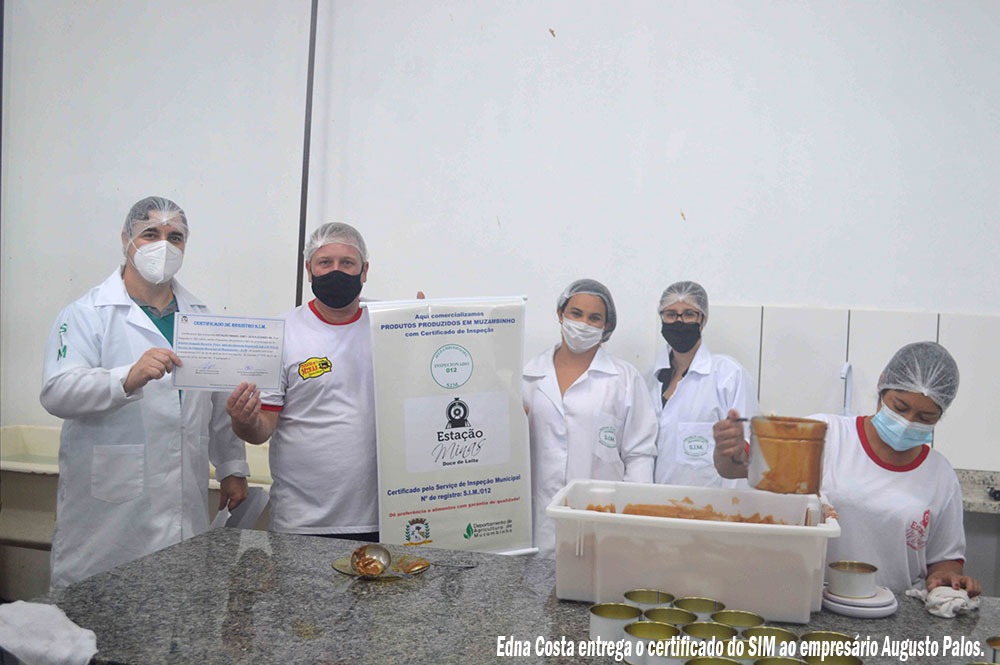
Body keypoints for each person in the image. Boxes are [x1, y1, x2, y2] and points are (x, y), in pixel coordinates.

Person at [40, 196, 249, 588]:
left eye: (175, 237)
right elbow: (56, 391)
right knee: (101, 604)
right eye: (151, 234)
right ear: (126, 239)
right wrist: (124, 378)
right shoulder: (87, 313)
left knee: (176, 602)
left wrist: (232, 469)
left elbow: (219, 406)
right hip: (109, 514)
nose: (163, 246)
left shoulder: (201, 318)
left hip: (183, 503)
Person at [713, 341, 981, 596]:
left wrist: (947, 579)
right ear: (883, 384)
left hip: (894, 609)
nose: (907, 422)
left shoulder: (939, 474)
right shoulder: (826, 435)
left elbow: (945, 560)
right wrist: (730, 450)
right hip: (812, 598)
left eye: (925, 417)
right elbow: (738, 467)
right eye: (900, 407)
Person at [226, 223, 380, 541]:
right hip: (303, 521)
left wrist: (426, 326)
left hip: (385, 517)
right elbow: (261, 430)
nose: (336, 271)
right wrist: (244, 421)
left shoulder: (390, 327)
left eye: (347, 263)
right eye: (325, 263)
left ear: (364, 271)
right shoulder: (279, 333)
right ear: (309, 271)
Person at [522, 279, 657, 557]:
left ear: (606, 326)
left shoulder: (624, 379)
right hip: (537, 524)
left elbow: (639, 454)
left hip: (601, 522)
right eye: (576, 313)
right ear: (560, 314)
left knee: (594, 578)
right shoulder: (528, 376)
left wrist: (634, 520)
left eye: (594, 318)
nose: (583, 324)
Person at [649, 281, 758, 488]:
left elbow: (746, 451)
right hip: (657, 500)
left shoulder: (729, 375)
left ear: (703, 319)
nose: (679, 321)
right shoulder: (649, 380)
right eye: (670, 314)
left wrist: (734, 506)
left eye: (689, 314)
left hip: (713, 503)